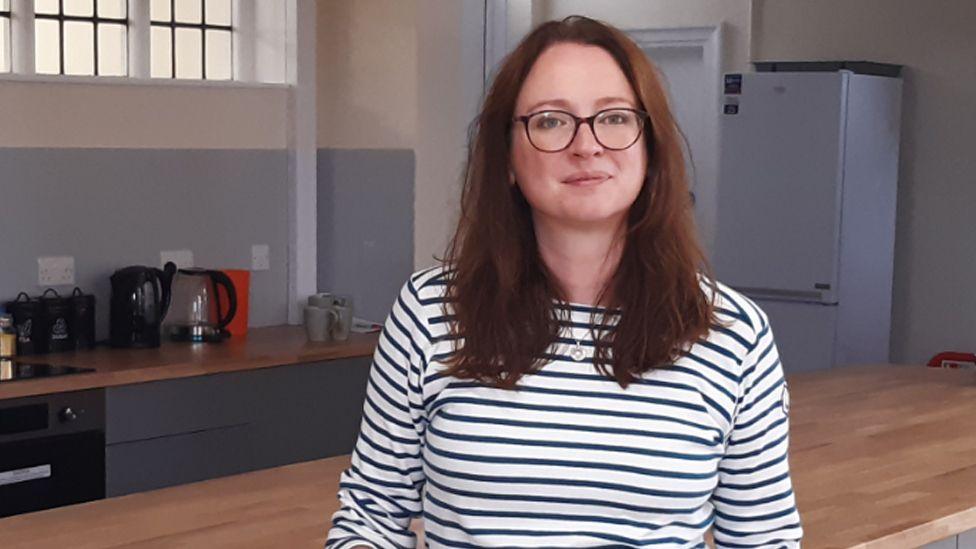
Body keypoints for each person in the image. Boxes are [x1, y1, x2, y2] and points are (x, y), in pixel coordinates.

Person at [326, 15, 803, 548]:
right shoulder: (430, 312)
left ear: (651, 148)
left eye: (614, 117)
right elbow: (369, 518)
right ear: (507, 157)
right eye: (551, 121)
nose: (587, 145)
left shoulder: (731, 333)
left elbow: (764, 541)